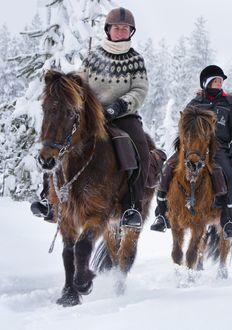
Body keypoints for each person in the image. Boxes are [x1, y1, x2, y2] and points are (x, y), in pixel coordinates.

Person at [31, 7, 150, 228]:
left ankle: (132, 206)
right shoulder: (95, 55)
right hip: (91, 114)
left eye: (125, 29)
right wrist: (64, 85)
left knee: (142, 152)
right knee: (59, 140)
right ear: (108, 29)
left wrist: (119, 106)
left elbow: (140, 90)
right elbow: (79, 81)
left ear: (131, 32)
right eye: (117, 28)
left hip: (123, 115)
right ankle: (47, 198)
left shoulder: (135, 59)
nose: (121, 32)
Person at [150, 65, 232, 240]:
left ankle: (229, 221)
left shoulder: (230, 105)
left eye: (220, 81)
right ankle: (162, 214)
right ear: (206, 83)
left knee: (230, 176)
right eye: (215, 80)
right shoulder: (195, 104)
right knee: (167, 168)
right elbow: (184, 127)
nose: (219, 83)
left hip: (219, 149)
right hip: (194, 147)